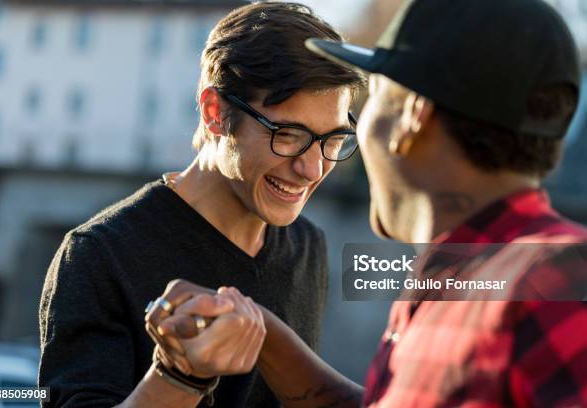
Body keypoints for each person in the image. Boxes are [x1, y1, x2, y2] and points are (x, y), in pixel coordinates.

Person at [149, 0, 587, 406]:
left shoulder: (564, 281)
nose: (313, 165)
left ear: (412, 116)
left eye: (371, 98)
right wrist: (259, 330)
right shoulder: (466, 280)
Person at [37, 2, 365, 407]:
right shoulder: (98, 255)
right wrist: (177, 376)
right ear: (214, 113)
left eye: (333, 139)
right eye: (289, 134)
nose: (313, 168)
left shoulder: (307, 245)